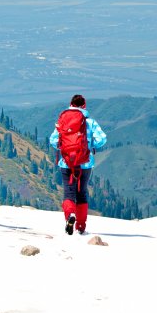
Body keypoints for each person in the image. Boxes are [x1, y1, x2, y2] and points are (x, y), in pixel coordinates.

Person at [49, 94, 106, 235]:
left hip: (66, 162)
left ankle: (70, 215)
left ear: (71, 104)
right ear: (84, 106)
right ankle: (80, 226)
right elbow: (102, 139)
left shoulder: (63, 121)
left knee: (69, 192)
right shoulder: (90, 122)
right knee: (82, 193)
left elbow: (53, 140)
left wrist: (65, 149)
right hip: (85, 163)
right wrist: (90, 146)